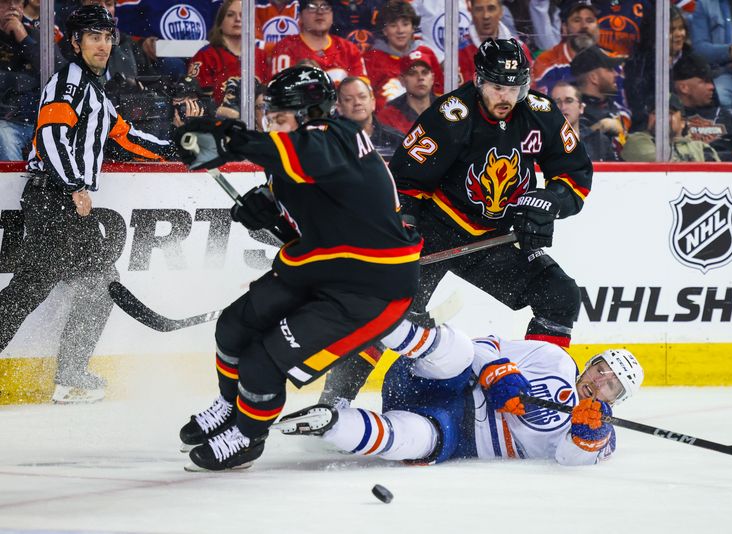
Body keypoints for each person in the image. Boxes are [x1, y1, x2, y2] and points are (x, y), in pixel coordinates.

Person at [319, 38, 592, 407]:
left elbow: (574, 175)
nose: (506, 97)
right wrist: (405, 232)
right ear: (478, 80)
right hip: (437, 231)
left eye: (514, 88)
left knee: (560, 296)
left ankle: (538, 392)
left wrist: (550, 201)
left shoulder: (540, 112)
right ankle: (334, 402)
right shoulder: (450, 116)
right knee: (390, 311)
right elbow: (403, 182)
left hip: (497, 238)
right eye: (497, 86)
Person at [173, 65, 422, 472]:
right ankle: (230, 405)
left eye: (281, 112)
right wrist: (266, 208)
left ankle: (248, 438)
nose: (271, 119)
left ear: (310, 113)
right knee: (234, 327)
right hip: (323, 269)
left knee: (262, 361)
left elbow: (306, 155)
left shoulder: (336, 138)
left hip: (369, 291)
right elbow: (304, 206)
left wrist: (228, 137)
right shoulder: (302, 149)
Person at [0, 5, 175, 403]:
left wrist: (180, 149)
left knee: (85, 284)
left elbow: (127, 137)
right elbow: (50, 137)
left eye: (107, 37)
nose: (103, 45)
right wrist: (75, 184)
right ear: (75, 42)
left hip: (59, 198)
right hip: (54, 196)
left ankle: (71, 374)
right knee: (39, 287)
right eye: (93, 37)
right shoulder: (70, 83)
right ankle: (71, 374)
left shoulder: (94, 92)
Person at [276, 319, 644, 466]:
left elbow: (571, 461)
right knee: (460, 351)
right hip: (433, 377)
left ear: (615, 400)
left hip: (454, 431)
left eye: (610, 384)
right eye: (600, 369)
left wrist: (589, 433)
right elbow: (484, 344)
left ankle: (333, 424)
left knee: (420, 441)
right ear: (591, 364)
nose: (598, 381)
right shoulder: (554, 359)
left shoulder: (600, 437)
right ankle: (386, 320)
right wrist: (498, 372)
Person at [0, 0, 65, 161]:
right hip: (5, 120)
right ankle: (12, 186)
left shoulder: (36, 36)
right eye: (6, 2)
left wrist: (25, 40)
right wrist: (25, 81)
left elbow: (61, 73)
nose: (13, 7)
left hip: (39, 120)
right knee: (4, 135)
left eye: (18, 2)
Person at [187, 0, 270, 119]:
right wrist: (224, 112)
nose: (238, 19)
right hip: (217, 124)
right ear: (220, 22)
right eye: (230, 15)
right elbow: (196, 101)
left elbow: (268, 97)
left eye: (243, 15)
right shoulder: (205, 55)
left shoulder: (260, 55)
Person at [362, 0, 442, 112]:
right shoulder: (371, 58)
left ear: (413, 28)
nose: (400, 31)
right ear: (385, 30)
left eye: (405, 24)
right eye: (393, 25)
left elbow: (440, 94)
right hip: (386, 124)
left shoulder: (426, 54)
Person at [266, 0, 367, 85]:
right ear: (300, 16)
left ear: (332, 15)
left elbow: (363, 92)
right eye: (312, 7)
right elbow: (280, 93)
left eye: (326, 7)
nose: (320, 12)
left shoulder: (349, 49)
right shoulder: (286, 47)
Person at [672, 52, 732, 161]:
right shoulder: (669, 118)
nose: (712, 87)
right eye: (704, 82)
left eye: (711, 81)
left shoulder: (726, 116)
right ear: (684, 88)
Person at [621, 94, 720, 162]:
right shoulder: (637, 141)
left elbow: (717, 177)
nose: (661, 117)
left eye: (669, 113)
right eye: (655, 113)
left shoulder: (700, 147)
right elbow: (664, 169)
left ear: (682, 122)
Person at [457, 0, 533, 86]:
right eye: (479, 9)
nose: (486, 16)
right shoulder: (459, 51)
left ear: (501, 11)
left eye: (491, 8)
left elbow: (529, 90)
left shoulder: (519, 50)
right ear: (471, 11)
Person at [571, 44, 629, 149]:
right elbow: (565, 148)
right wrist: (598, 128)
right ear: (594, 78)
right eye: (610, 69)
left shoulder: (611, 106)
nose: (616, 74)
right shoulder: (571, 110)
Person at [336, 76, 405, 156]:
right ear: (339, 108)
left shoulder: (397, 140)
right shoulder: (330, 143)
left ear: (373, 103)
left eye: (362, 97)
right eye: (348, 99)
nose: (357, 102)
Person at [551, 80, 617, 161]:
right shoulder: (539, 143)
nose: (562, 107)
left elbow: (616, 172)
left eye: (569, 100)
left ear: (581, 108)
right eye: (556, 102)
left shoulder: (599, 142)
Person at [377, 49, 438, 134]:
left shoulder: (445, 108)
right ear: (402, 80)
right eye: (413, 73)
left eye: (424, 72)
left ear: (432, 78)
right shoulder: (388, 117)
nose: (420, 78)